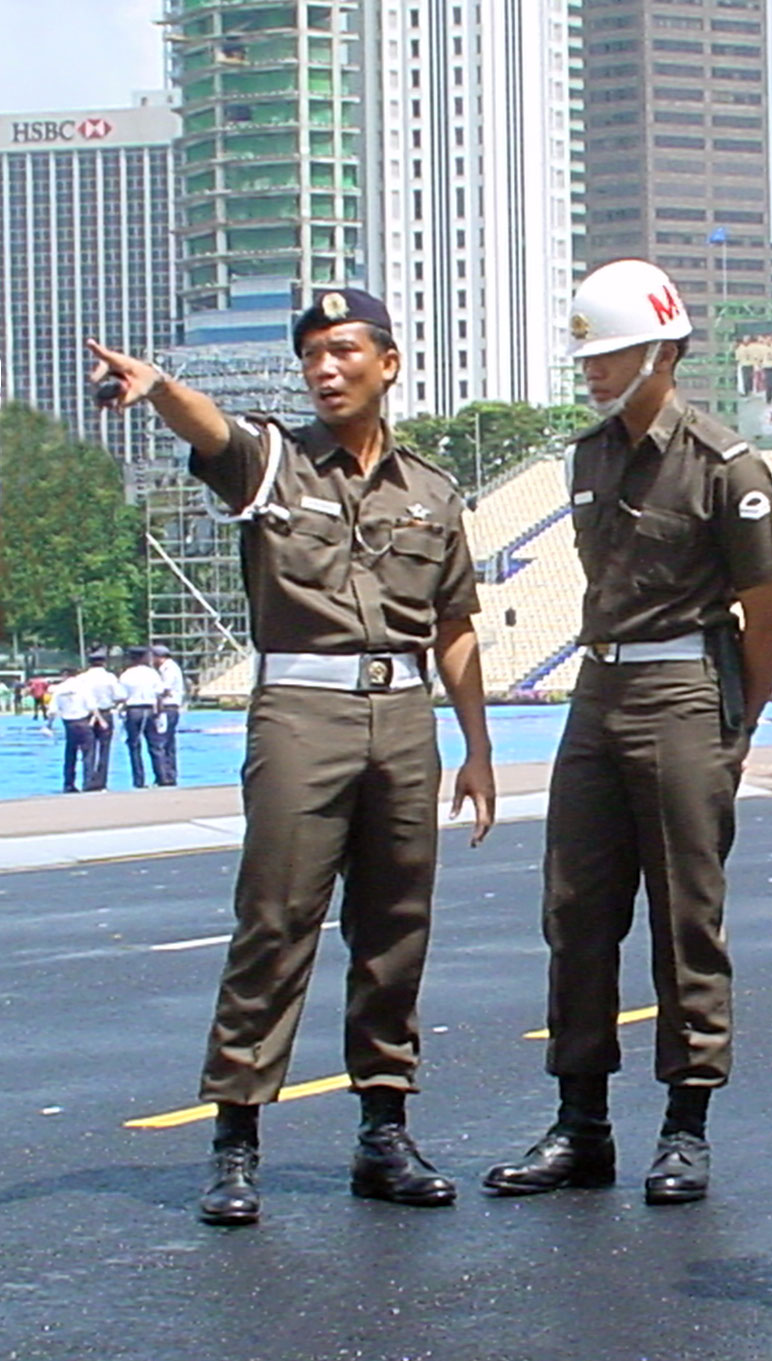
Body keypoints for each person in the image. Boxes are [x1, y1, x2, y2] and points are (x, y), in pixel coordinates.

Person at [87, 285, 495, 1227]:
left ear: (386, 363)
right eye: (312, 353)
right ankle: (235, 1137)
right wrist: (158, 388)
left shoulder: (430, 489)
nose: (325, 367)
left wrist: (474, 749)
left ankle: (382, 1132)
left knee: (395, 930)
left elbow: (455, 624)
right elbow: (215, 435)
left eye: (344, 349)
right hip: (300, 715)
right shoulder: (275, 461)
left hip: (402, 720)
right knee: (274, 922)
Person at [483, 259, 772, 1206]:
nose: (594, 370)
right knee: (575, 912)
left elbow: (767, 614)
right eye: (587, 355)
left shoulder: (723, 464)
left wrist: (733, 725)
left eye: (612, 354)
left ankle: (684, 1127)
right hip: (596, 693)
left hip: (682, 695)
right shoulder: (585, 456)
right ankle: (580, 1126)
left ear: (661, 349)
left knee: (683, 918)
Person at [118, 645, 168, 788]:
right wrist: (159, 712)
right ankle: (161, 777)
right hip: (149, 709)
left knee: (134, 746)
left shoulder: (126, 675)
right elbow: (159, 693)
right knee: (155, 745)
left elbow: (121, 696)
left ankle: (138, 780)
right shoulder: (152, 673)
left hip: (133, 710)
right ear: (144, 657)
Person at [47, 667, 100, 793]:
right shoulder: (83, 687)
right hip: (83, 721)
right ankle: (88, 783)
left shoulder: (59, 689)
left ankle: (68, 784)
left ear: (64, 675)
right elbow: (92, 706)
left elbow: (52, 711)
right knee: (88, 753)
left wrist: (49, 725)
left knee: (70, 754)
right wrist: (99, 720)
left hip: (68, 723)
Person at [81, 647, 125, 791]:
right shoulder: (110, 677)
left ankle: (88, 781)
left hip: (86, 715)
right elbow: (120, 696)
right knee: (104, 749)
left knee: (88, 750)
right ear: (104, 662)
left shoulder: (82, 678)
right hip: (105, 713)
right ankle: (101, 782)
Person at [150, 644, 185, 786]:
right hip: (170, 707)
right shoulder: (168, 668)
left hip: (168, 707)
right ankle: (169, 774)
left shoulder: (169, 669)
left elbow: (164, 688)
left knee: (162, 741)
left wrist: (154, 693)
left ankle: (165, 775)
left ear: (160, 657)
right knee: (168, 742)